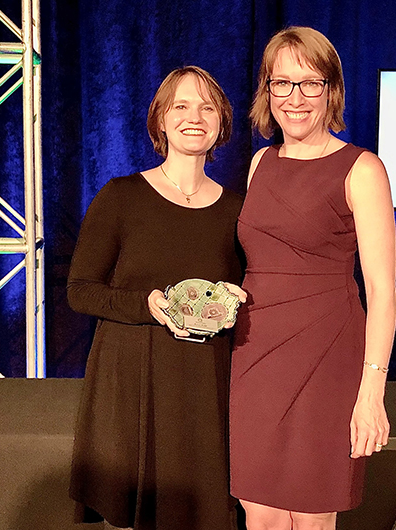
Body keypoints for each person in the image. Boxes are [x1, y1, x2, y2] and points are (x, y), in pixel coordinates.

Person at [229, 27, 396, 530]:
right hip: (255, 352)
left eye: (310, 83)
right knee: (257, 511)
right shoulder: (260, 162)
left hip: (327, 354)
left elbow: (383, 291)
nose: (295, 98)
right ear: (267, 91)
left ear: (332, 90)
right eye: (282, 83)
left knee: (311, 512)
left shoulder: (361, 168)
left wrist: (372, 392)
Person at [68, 66, 246, 530]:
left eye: (207, 107)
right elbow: (80, 291)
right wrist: (144, 305)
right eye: (180, 106)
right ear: (161, 121)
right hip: (133, 377)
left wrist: (238, 298)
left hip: (205, 384)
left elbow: (247, 291)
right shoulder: (122, 196)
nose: (195, 116)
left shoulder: (237, 208)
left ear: (222, 123)